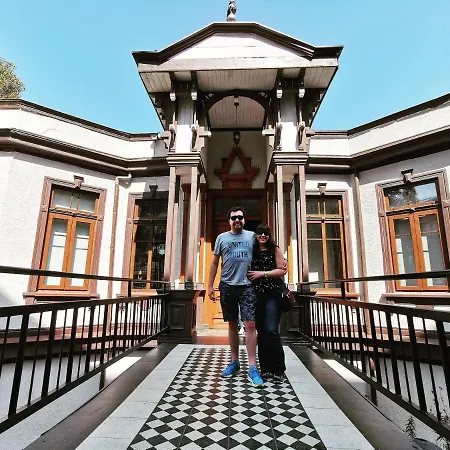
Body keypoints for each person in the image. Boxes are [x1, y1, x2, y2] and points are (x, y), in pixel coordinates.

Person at [207, 206, 264, 388]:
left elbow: (267, 249)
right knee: (232, 324)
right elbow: (214, 262)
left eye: (240, 217)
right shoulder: (221, 238)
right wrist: (209, 286)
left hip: (247, 286)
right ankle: (234, 362)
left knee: (250, 324)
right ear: (229, 221)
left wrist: (281, 261)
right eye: (233, 218)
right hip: (227, 286)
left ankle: (252, 367)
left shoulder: (252, 237)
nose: (237, 220)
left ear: (244, 220)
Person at [247, 224, 286, 383]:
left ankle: (278, 369)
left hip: (272, 295)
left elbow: (281, 270)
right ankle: (266, 369)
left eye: (266, 233)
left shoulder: (275, 250)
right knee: (262, 332)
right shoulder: (251, 250)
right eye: (260, 233)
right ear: (255, 235)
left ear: (270, 235)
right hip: (256, 296)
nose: (263, 235)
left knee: (271, 330)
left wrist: (262, 274)